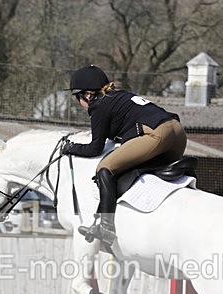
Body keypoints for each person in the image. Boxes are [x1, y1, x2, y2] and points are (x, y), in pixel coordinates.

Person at [61, 65, 187, 245]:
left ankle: (106, 226)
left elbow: (95, 149)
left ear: (87, 95)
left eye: (77, 98)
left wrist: (70, 148)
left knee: (105, 168)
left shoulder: (98, 105)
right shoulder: (120, 96)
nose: (79, 103)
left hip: (157, 134)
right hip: (178, 132)